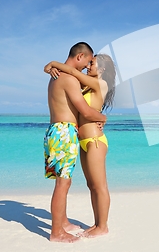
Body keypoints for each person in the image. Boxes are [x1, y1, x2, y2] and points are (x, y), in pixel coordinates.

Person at [44, 53, 116, 238]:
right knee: (91, 185)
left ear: (102, 69)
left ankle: (103, 226)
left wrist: (53, 64)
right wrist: (54, 70)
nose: (88, 65)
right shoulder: (86, 85)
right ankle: (97, 223)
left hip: (95, 141)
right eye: (88, 61)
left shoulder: (101, 84)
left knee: (100, 186)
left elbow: (71, 71)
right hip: (82, 140)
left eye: (92, 63)